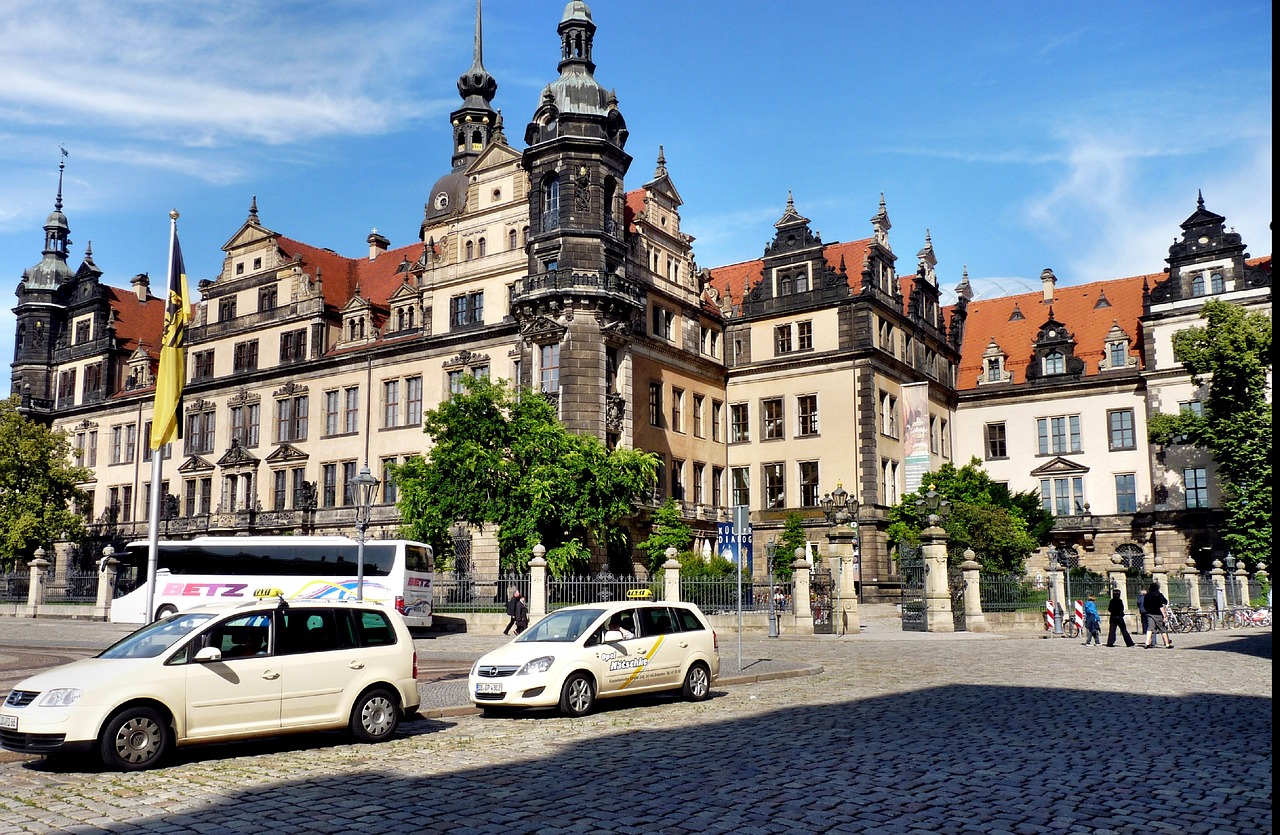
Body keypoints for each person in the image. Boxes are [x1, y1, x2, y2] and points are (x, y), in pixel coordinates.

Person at [1142, 582, 1173, 649]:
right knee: (1162, 629)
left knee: (1150, 628)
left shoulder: (1147, 595)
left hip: (1149, 613)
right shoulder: (1158, 594)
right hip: (1158, 614)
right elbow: (1165, 601)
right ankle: (1167, 644)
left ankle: (1147, 643)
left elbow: (1144, 604)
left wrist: (1148, 610)